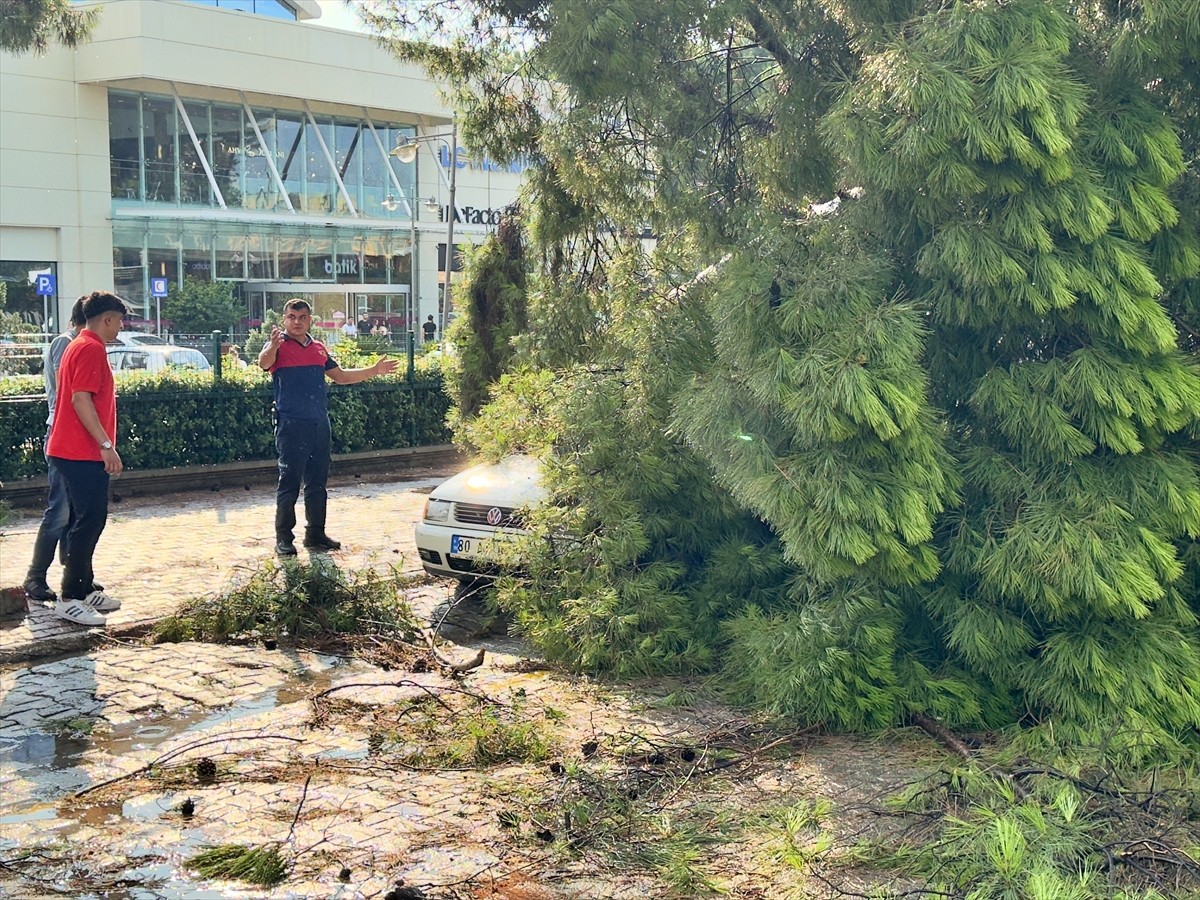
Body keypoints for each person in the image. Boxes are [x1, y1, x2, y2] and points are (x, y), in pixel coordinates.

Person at [259, 298, 398, 556]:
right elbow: (264, 363)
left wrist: (375, 370)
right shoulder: (277, 346)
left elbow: (341, 376)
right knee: (289, 483)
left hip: (319, 423)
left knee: (317, 483)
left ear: (310, 320)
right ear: (284, 319)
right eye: (291, 317)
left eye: (302, 317)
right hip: (291, 424)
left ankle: (315, 534)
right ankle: (283, 538)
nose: (297, 322)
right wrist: (272, 347)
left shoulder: (318, 348)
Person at [46, 290, 129, 626]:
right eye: (120, 320)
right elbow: (81, 401)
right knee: (90, 521)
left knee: (84, 519)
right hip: (80, 451)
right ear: (107, 318)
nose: (121, 327)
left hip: (71, 449)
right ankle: (71, 597)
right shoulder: (91, 348)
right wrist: (106, 444)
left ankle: (85, 587)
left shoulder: (79, 343)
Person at [23, 297, 88, 605]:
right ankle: (35, 577)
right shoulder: (67, 343)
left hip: (72, 436)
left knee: (74, 511)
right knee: (60, 510)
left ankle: (73, 575)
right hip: (63, 434)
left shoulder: (75, 343)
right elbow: (72, 392)